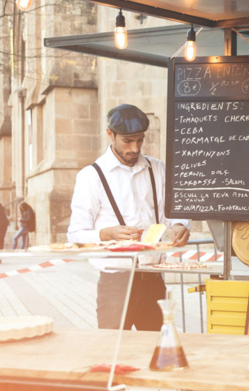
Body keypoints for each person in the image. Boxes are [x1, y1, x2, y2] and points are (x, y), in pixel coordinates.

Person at [68, 104, 191, 331]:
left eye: (139, 140)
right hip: (115, 280)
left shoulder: (158, 169)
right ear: (110, 134)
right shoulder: (91, 176)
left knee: (158, 351)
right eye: (127, 141)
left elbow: (175, 210)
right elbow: (75, 234)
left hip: (153, 279)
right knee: (114, 352)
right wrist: (107, 233)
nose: (135, 148)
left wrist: (181, 224)